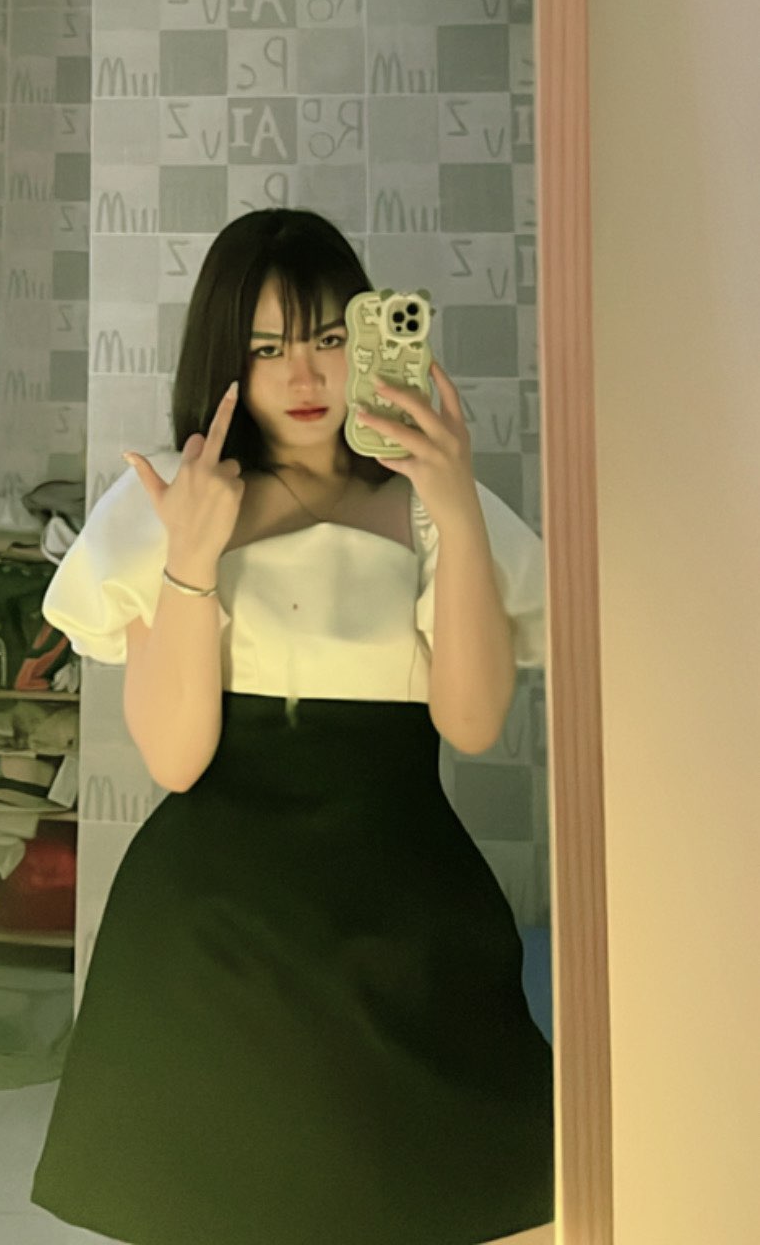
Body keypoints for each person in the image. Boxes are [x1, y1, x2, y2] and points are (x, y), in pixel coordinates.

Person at [29, 208, 554, 1245]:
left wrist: (453, 502)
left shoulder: (428, 505)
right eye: (266, 348)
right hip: (213, 934)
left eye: (327, 337)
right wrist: (190, 560)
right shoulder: (171, 506)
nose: (303, 373)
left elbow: (473, 720)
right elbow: (176, 759)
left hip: (402, 916)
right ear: (224, 360)